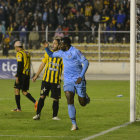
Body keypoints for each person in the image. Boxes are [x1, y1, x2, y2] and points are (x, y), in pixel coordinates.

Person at [44, 37, 90, 131]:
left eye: (61, 44)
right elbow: (51, 55)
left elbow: (86, 62)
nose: (60, 45)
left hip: (79, 79)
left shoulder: (75, 52)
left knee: (82, 103)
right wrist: (46, 47)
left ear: (67, 45)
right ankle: (74, 124)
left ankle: (85, 97)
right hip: (68, 80)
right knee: (69, 97)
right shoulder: (61, 52)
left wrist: (81, 76)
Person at [32, 39, 63, 120]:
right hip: (46, 80)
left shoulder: (62, 55)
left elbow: (65, 69)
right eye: (53, 43)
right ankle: (38, 114)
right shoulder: (47, 53)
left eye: (55, 43)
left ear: (59, 45)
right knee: (42, 96)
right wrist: (36, 75)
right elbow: (42, 64)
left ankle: (54, 116)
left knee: (55, 98)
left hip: (56, 81)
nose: (53, 45)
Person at [11, 40, 38, 112]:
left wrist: (17, 76)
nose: (15, 49)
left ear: (17, 47)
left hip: (22, 75)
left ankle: (19, 108)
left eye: (15, 47)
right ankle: (35, 102)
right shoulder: (27, 53)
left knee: (17, 90)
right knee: (24, 91)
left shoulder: (19, 53)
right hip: (27, 74)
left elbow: (20, 65)